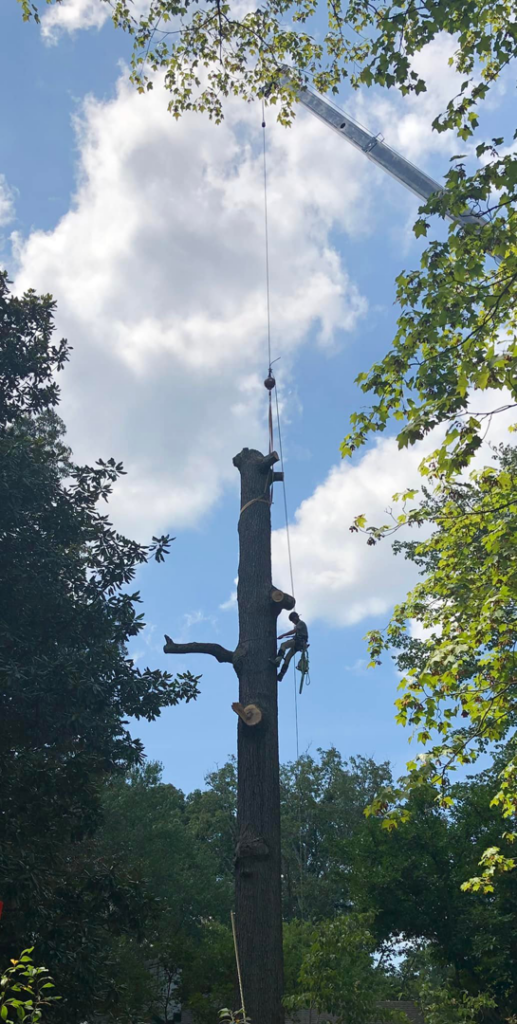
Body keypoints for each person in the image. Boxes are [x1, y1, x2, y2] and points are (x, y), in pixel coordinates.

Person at [272, 612, 309, 681]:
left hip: (298, 642)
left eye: (293, 620)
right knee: (287, 658)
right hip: (300, 644)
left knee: (283, 645)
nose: (293, 622)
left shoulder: (300, 623)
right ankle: (281, 675)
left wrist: (283, 635)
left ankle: (277, 661)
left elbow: (294, 631)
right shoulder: (300, 625)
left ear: (295, 618)